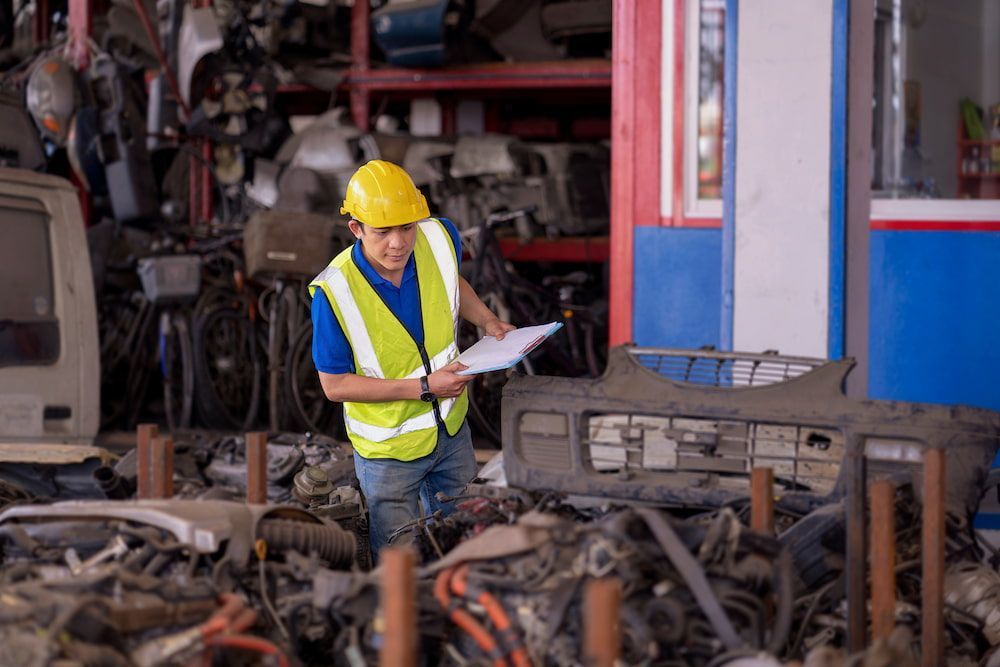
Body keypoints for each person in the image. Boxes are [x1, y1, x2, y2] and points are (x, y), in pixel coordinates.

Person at [309, 159, 515, 560]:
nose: (398, 243)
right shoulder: (335, 293)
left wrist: (487, 319)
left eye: (406, 227)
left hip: (452, 433)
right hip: (389, 457)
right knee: (398, 565)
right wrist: (425, 388)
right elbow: (334, 386)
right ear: (356, 229)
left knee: (468, 544)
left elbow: (452, 280)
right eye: (383, 232)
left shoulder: (437, 238)